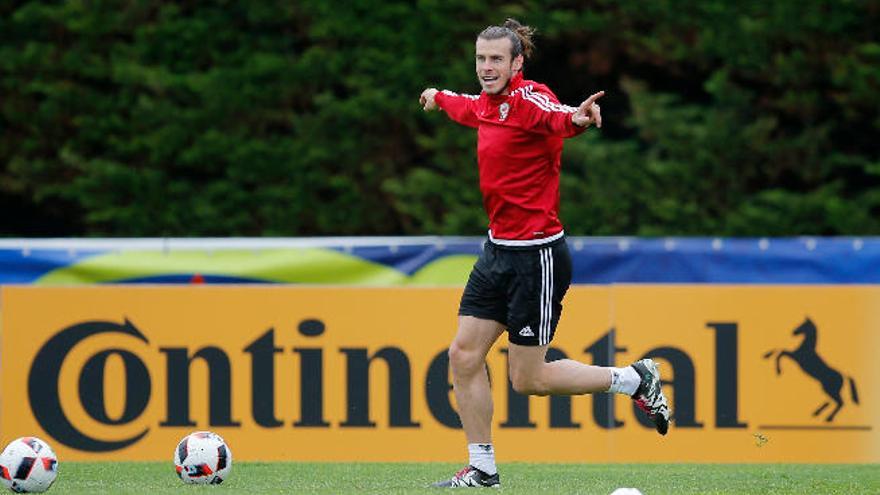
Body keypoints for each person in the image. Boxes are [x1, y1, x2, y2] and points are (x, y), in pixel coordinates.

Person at [419, 19, 671, 488]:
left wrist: (578, 117)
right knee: (463, 354)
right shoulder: (486, 105)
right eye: (481, 59)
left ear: (517, 63)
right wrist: (438, 97)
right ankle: (482, 468)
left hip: (537, 257)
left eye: (497, 59)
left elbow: (557, 117)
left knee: (529, 380)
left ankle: (634, 380)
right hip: (497, 252)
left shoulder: (529, 99)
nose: (487, 67)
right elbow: (466, 107)